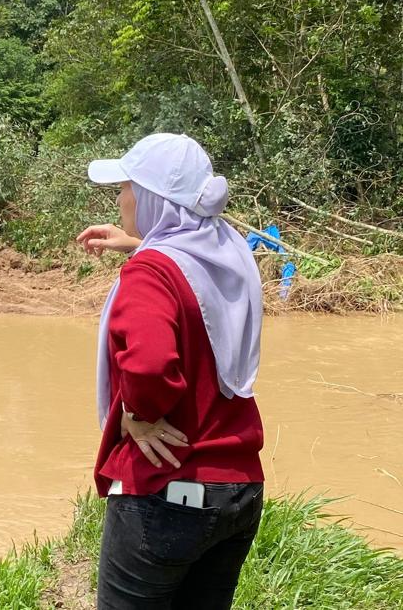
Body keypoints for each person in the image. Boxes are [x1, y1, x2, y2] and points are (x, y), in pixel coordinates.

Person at [77, 133, 265, 610]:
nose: (121, 198)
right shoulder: (231, 254)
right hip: (238, 492)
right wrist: (138, 241)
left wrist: (135, 413)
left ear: (152, 199)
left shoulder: (150, 274)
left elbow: (151, 364)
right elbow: (191, 264)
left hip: (166, 494)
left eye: (126, 187)